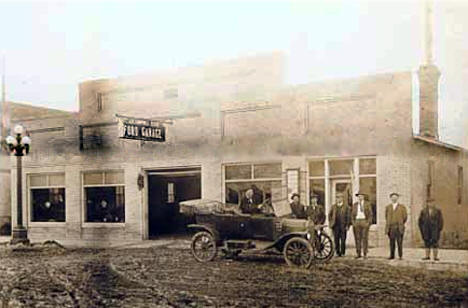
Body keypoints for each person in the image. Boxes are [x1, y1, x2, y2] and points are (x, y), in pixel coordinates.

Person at [385, 192, 408, 260]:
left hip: (399, 227)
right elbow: (386, 216)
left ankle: (400, 255)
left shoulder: (402, 207)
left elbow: (405, 217)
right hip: (391, 227)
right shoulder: (388, 207)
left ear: (397, 198)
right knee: (392, 242)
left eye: (395, 197)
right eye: (392, 197)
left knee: (399, 242)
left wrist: (400, 223)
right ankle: (392, 255)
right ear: (391, 198)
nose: (394, 198)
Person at [352, 192, 373, 259]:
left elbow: (370, 214)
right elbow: (352, 215)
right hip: (357, 221)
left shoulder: (367, 204)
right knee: (357, 238)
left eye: (361, 196)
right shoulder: (355, 205)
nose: (360, 197)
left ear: (363, 197)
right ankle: (358, 253)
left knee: (364, 238)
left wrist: (368, 223)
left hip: (364, 221)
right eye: (359, 196)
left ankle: (365, 254)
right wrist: (353, 222)